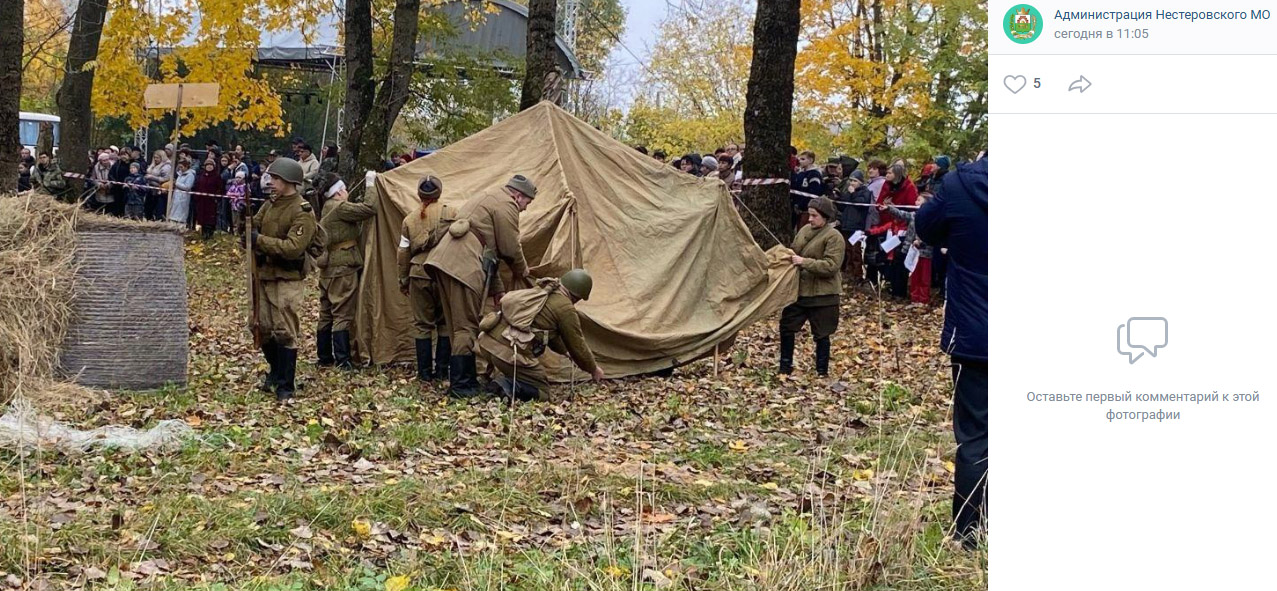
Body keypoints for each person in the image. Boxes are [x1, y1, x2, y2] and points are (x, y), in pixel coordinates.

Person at [916, 155, 987, 550]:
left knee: (975, 434)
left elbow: (926, 226)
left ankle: (969, 530)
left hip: (975, 330)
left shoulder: (960, 184)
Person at [425, 174, 535, 398]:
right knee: (466, 326)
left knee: (457, 326)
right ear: (518, 195)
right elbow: (510, 247)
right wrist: (523, 271)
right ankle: (462, 386)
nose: (524, 209)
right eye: (527, 203)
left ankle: (463, 381)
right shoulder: (507, 204)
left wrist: (497, 289)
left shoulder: (490, 196)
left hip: (445, 261)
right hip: (462, 265)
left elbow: (490, 251)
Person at [475, 269, 605, 402]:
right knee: (543, 393)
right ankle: (506, 385)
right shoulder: (566, 309)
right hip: (507, 353)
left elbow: (548, 335)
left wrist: (565, 352)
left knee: (518, 372)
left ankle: (489, 383)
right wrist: (593, 369)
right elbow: (578, 344)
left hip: (487, 342)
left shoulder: (543, 292)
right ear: (577, 297)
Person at [249, 157, 318, 401]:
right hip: (265, 274)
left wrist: (260, 241)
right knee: (261, 326)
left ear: (289, 181)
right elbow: (252, 227)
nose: (271, 183)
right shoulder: (270, 205)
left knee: (285, 329)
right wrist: (246, 227)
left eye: (276, 179)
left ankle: (286, 385)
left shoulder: (302, 211)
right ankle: (276, 372)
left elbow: (292, 248)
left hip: (287, 276)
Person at [397, 176, 457, 381]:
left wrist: (403, 280)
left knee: (422, 325)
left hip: (418, 274)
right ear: (438, 193)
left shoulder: (410, 219)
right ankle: (442, 371)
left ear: (419, 194)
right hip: (444, 272)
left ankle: (424, 374)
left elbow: (403, 253)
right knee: (444, 323)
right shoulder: (452, 213)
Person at [316, 179, 378, 369]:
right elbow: (370, 208)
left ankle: (325, 357)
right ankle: (343, 360)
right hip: (342, 267)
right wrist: (370, 184)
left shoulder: (327, 206)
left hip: (329, 269)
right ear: (339, 192)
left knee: (326, 313)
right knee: (342, 313)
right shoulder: (340, 207)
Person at [869, 162, 919, 299]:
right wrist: (886, 207)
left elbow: (911, 209)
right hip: (887, 224)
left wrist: (895, 208)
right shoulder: (887, 185)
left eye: (890, 173)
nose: (887, 175)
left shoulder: (909, 187)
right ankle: (888, 282)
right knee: (884, 256)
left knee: (899, 259)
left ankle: (899, 290)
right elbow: (880, 202)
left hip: (902, 227)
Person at [882, 193, 933, 305]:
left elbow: (931, 233)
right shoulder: (914, 215)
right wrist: (890, 208)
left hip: (925, 253)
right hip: (912, 251)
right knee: (914, 276)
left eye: (919, 200)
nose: (916, 202)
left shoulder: (931, 219)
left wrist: (921, 242)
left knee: (924, 277)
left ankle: (923, 299)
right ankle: (914, 298)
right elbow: (901, 214)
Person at [838, 170, 873, 282]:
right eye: (851, 180)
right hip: (846, 224)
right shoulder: (848, 191)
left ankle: (857, 275)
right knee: (847, 250)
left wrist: (853, 194)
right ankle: (848, 272)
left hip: (857, 227)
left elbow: (861, 204)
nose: (852, 183)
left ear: (860, 182)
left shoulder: (865, 192)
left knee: (855, 251)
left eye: (854, 181)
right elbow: (843, 205)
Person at [192, 160, 226, 239]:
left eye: (211, 165)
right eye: (207, 165)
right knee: (202, 218)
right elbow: (197, 186)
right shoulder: (201, 175)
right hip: (201, 201)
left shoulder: (216, 176)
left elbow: (220, 188)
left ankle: (210, 234)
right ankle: (203, 233)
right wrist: (197, 197)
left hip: (211, 202)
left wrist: (216, 198)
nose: (209, 166)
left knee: (210, 219)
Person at [790, 150, 824, 229]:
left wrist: (804, 205)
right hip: (797, 208)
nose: (800, 161)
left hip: (807, 209)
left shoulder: (814, 174)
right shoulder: (800, 174)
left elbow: (814, 192)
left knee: (804, 229)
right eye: (799, 159)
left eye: (803, 159)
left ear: (810, 160)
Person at [145, 150, 172, 220]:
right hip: (151, 189)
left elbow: (166, 178)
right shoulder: (154, 165)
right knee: (148, 208)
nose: (155, 159)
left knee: (158, 209)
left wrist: (152, 177)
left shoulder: (167, 167)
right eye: (154, 157)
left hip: (160, 191)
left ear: (162, 158)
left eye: (157, 158)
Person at [169, 159, 194, 225]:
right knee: (174, 212)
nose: (180, 169)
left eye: (182, 167)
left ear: (186, 167)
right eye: (179, 167)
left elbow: (187, 187)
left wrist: (176, 184)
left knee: (181, 214)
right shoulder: (180, 174)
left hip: (183, 196)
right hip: (177, 195)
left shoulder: (190, 175)